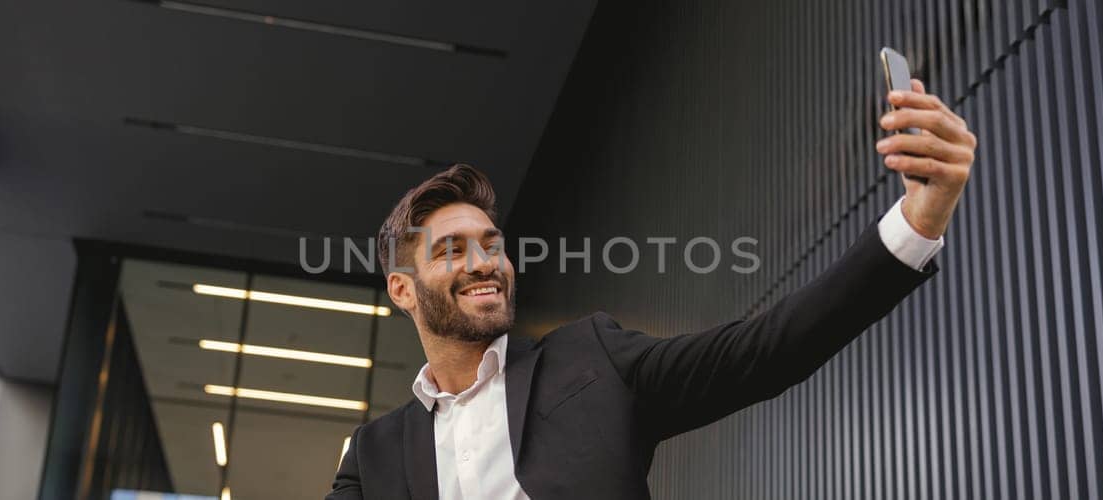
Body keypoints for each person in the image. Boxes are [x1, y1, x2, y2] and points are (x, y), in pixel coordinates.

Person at [326, 80, 975, 499]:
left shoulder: (591, 361)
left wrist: (915, 227)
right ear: (403, 290)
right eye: (452, 251)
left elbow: (768, 350)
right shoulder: (375, 454)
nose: (484, 262)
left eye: (492, 244)